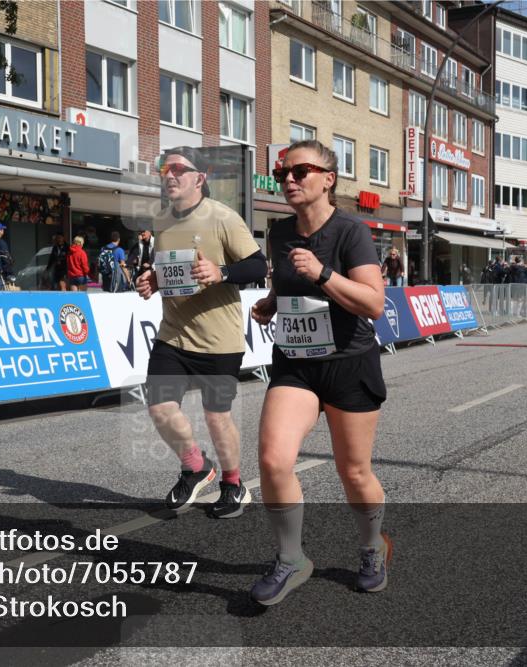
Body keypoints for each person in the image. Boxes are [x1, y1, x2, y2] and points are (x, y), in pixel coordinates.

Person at [249, 139, 389, 605]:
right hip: (295, 363)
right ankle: (291, 559)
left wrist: (323, 274)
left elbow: (373, 303)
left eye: (300, 171)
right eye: (282, 173)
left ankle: (372, 547)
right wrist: (272, 303)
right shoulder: (278, 232)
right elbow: (286, 284)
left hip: (348, 363)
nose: (288, 180)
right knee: (273, 460)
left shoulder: (351, 231)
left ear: (328, 179)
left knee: (355, 472)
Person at [135, 146, 268, 519]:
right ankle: (195, 467)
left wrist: (221, 273)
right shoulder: (161, 220)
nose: (170, 174)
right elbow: (168, 269)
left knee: (216, 417)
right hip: (173, 335)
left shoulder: (223, 218)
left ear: (200, 178)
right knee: (160, 407)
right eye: (165, 168)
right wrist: (152, 280)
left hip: (217, 340)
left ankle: (233, 483)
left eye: (179, 168)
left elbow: (259, 266)